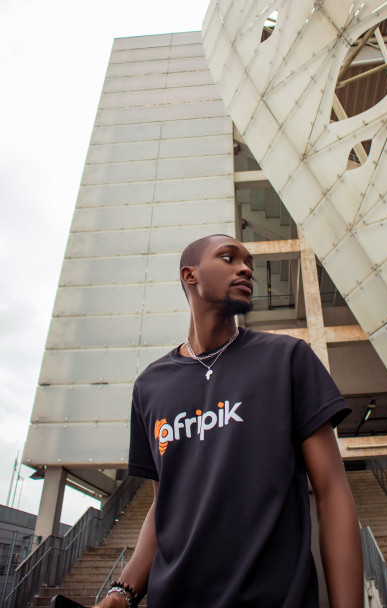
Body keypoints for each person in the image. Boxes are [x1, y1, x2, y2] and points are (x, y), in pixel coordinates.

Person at [94, 234, 363, 608]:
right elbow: (163, 508)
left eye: (249, 262)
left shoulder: (287, 359)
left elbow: (332, 491)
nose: (246, 268)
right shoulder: (149, 387)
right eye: (228, 257)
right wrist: (120, 594)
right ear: (190, 275)